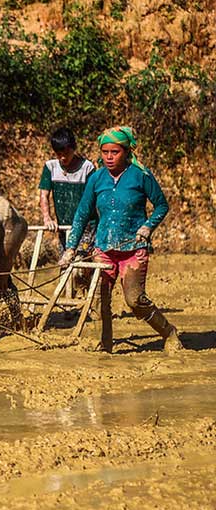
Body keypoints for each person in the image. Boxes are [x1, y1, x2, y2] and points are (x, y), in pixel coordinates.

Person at [60, 126, 182, 354]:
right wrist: (70, 248)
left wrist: (148, 227)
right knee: (100, 299)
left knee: (134, 300)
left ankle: (169, 332)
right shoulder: (96, 178)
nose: (108, 157)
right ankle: (105, 345)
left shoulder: (141, 176)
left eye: (114, 152)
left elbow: (162, 206)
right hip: (104, 247)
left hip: (133, 248)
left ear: (126, 152)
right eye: (105, 152)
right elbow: (82, 213)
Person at [38, 127, 96, 253]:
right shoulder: (50, 167)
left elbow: (91, 199)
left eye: (66, 153)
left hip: (86, 227)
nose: (63, 158)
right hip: (64, 227)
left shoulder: (87, 168)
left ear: (73, 149)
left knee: (81, 266)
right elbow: (44, 195)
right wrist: (47, 218)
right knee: (65, 264)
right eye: (59, 154)